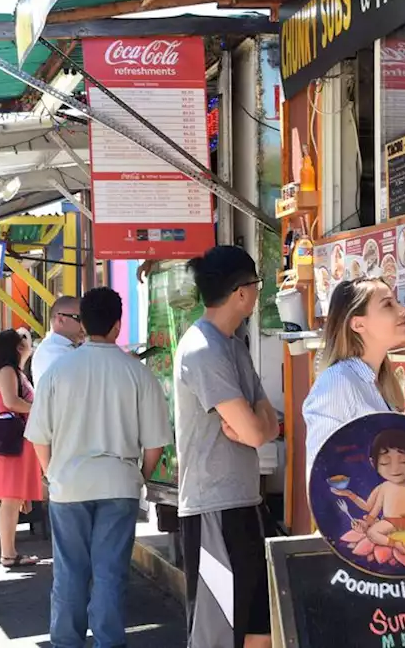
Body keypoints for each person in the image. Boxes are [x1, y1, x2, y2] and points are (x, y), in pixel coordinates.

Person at [25, 287, 171, 648]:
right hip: (119, 485)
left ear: (83, 324)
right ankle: (109, 642)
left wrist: (51, 474)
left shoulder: (58, 372)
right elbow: (155, 444)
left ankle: (66, 642)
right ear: (118, 325)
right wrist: (138, 477)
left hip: (68, 485)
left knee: (70, 573)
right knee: (109, 574)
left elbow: (39, 437)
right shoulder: (137, 374)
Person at [173, 246, 280, 648]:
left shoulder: (233, 344)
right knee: (216, 634)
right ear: (241, 292)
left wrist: (260, 425)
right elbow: (255, 431)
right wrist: (259, 426)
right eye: (257, 284)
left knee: (260, 625)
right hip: (211, 507)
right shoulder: (203, 350)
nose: (258, 294)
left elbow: (266, 421)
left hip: (246, 501)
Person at [303, 277, 405, 478]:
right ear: (358, 324)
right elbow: (320, 474)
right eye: (388, 305)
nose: (403, 310)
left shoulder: (382, 383)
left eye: (397, 302)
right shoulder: (338, 382)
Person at [0, 330, 43, 569]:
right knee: (10, 499)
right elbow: (11, 402)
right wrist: (39, 408)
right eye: (25, 339)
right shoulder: (8, 371)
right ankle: (8, 553)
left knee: (13, 499)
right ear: (18, 347)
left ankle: (10, 552)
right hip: (13, 442)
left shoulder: (14, 370)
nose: (29, 342)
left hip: (18, 440)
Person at [30, 296, 82, 387]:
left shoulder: (53, 347)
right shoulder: (53, 352)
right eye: (79, 319)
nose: (85, 325)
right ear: (60, 319)